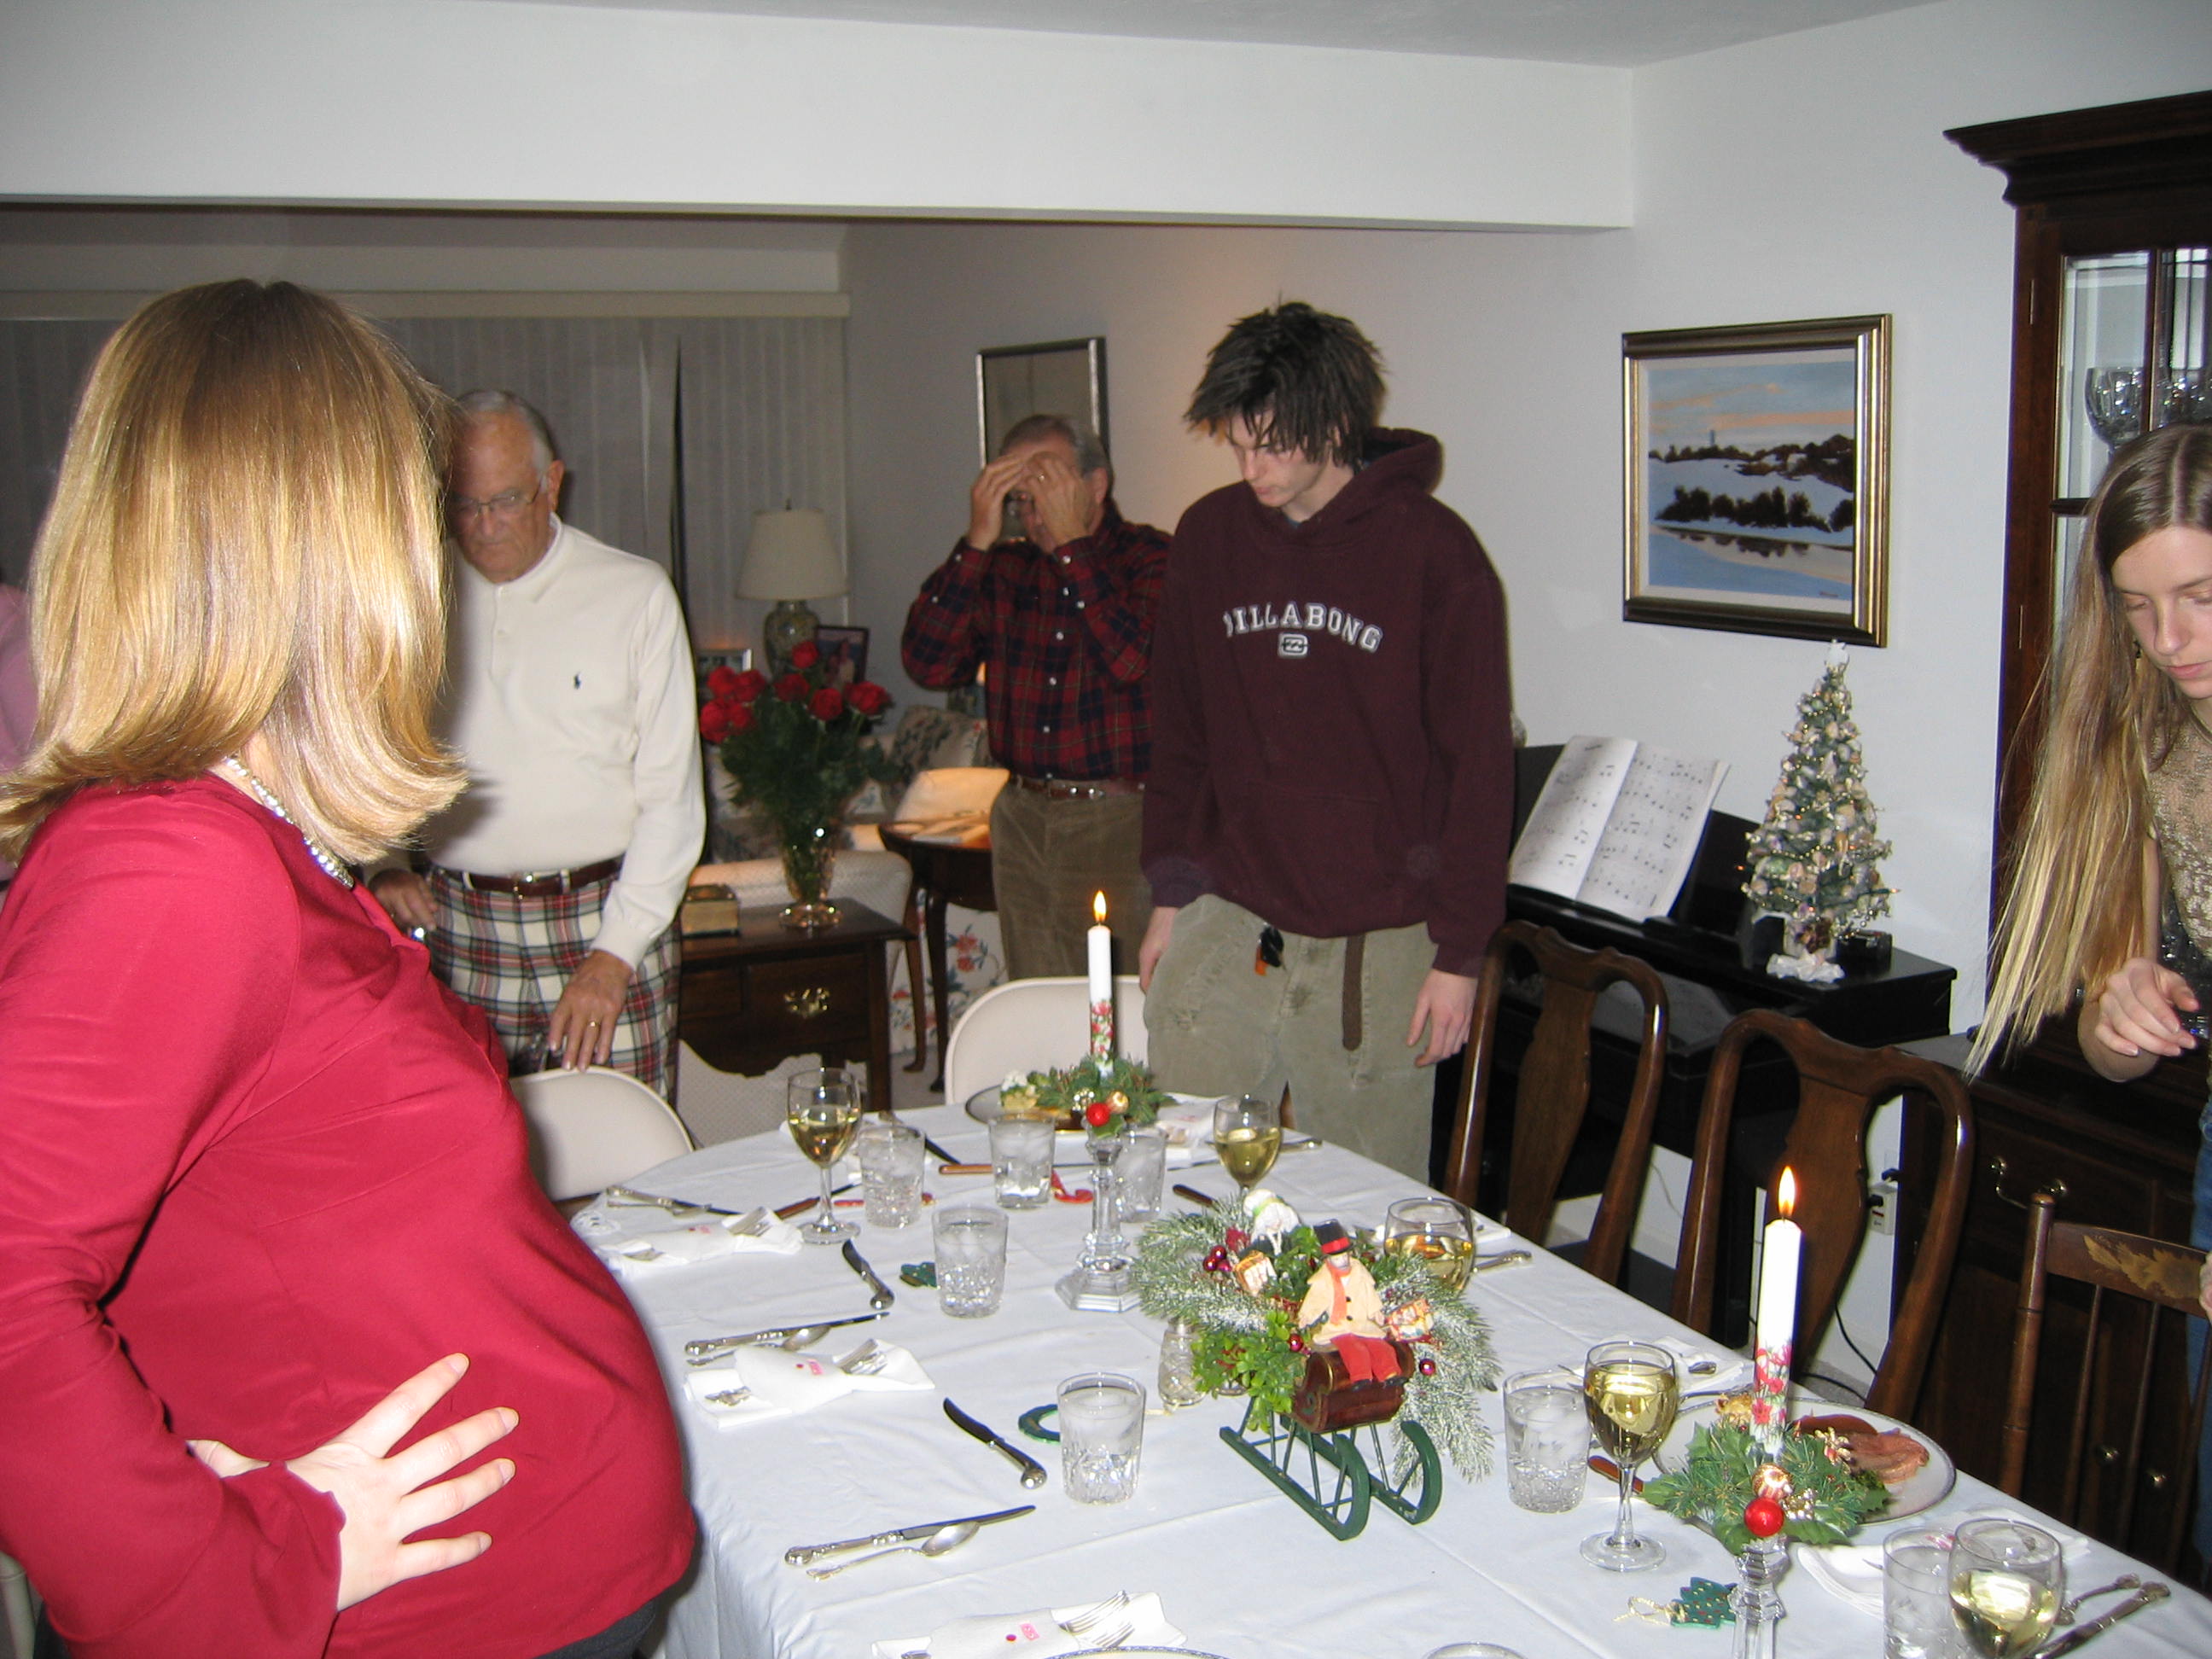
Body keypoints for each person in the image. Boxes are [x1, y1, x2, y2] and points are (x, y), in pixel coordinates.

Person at [0, 281, 692, 1658]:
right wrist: (227, 1571)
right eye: (410, 506)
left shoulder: (238, 828)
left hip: (539, 1568)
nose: (435, 551)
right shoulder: (165, 868)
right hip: (450, 1607)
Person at [1138, 301, 1512, 1181]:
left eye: (1274, 445)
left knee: (1365, 1202)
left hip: (1381, 935)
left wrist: (1460, 955)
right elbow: (1181, 728)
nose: (1253, 469)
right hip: (1230, 911)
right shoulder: (1210, 536)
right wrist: (1171, 896)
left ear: (1336, 424)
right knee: (1186, 1175)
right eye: (1238, 445)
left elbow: (1476, 768)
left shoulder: (1437, 554)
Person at [1973, 421, 2212, 1551]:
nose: (2168, 640)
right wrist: (2121, 1013)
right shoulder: (2155, 749)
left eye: (2201, 598)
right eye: (2137, 608)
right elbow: (2116, 1057)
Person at [369, 392, 702, 1095]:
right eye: (464, 504)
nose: (484, 526)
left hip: (605, 920)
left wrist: (615, 955)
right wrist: (386, 864)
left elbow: (672, 799)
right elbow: (372, 750)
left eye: (505, 501)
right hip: (459, 923)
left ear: (552, 484)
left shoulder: (634, 594)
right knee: (472, 1147)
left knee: (623, 1143)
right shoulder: (410, 596)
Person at [901, 413, 1168, 978]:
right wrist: (977, 540)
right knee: (1036, 996)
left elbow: (1132, 662)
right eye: (1021, 498)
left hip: (1121, 820)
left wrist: (1074, 548)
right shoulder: (1006, 568)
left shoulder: (1152, 558)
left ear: (1096, 485)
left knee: (1125, 997)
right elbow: (928, 662)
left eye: (1048, 489)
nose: (1033, 513)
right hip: (1022, 818)